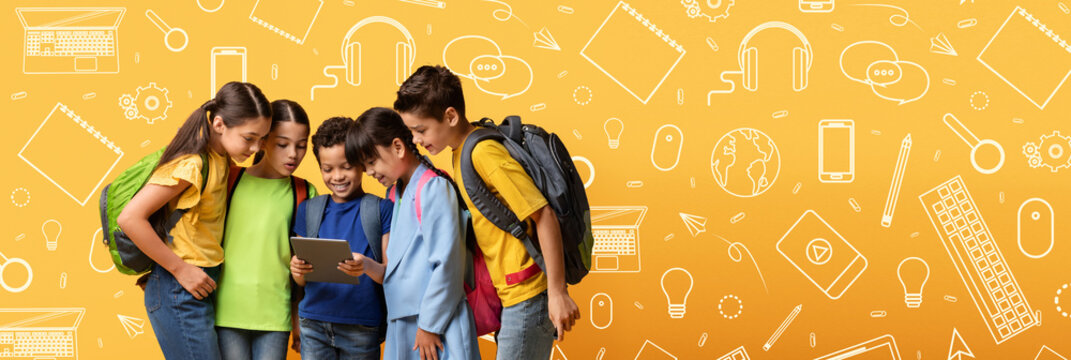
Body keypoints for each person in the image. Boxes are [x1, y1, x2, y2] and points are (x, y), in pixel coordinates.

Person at [394, 65, 580, 359]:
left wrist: (557, 293)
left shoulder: (482, 153)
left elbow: (543, 214)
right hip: (512, 298)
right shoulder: (459, 152)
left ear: (450, 116)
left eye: (421, 130)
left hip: (528, 295)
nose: (416, 139)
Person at [117, 81, 272, 360]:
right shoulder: (192, 164)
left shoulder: (221, 159)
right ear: (220, 124)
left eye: (262, 139)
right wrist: (177, 269)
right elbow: (130, 218)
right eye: (249, 138)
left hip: (199, 285)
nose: (255, 147)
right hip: (180, 289)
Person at [347, 107, 479, 360]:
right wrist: (366, 266)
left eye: (372, 162)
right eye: (365, 167)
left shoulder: (433, 188)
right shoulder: (395, 194)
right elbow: (400, 270)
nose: (370, 172)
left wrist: (429, 326)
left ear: (398, 147)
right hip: (404, 322)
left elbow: (448, 265)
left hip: (435, 324)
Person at [214, 99, 316, 360]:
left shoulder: (304, 191)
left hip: (275, 316)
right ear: (263, 140)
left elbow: (305, 269)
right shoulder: (230, 179)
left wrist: (297, 320)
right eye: (283, 144)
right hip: (226, 312)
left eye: (301, 145)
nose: (293, 154)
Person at [289, 117, 393, 360]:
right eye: (328, 169)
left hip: (361, 327)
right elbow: (302, 282)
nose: (337, 176)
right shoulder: (308, 210)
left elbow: (389, 275)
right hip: (313, 323)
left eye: (346, 166)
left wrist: (366, 265)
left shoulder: (381, 210)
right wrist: (297, 270)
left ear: (362, 164)